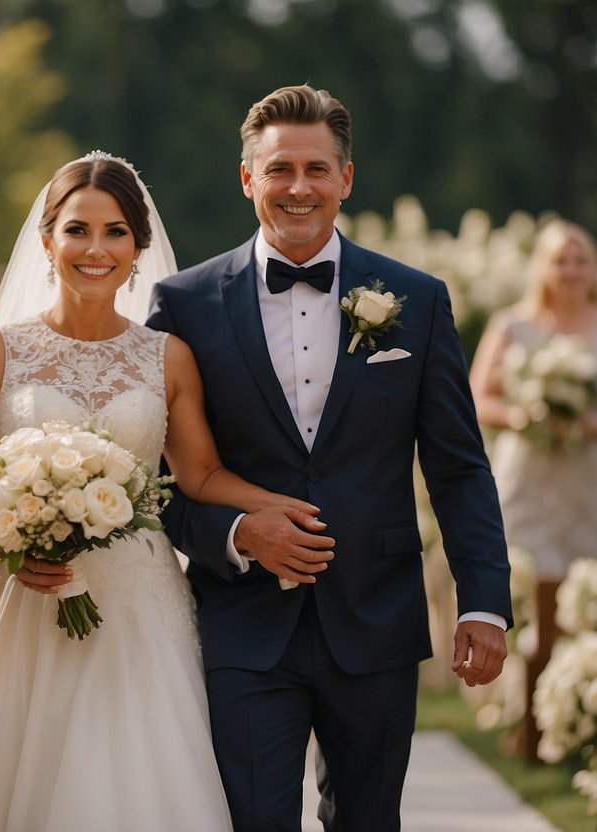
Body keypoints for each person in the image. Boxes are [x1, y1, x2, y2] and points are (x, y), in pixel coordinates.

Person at [0, 152, 321, 831]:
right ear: (46, 241)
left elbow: (200, 476)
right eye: (76, 230)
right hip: (22, 608)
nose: (94, 249)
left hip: (137, 607)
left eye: (115, 232)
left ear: (137, 249)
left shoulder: (166, 356)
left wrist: (270, 503)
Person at [144, 84, 512, 831]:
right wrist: (239, 535)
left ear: (346, 178)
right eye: (279, 169)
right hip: (242, 621)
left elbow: (458, 465)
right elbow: (153, 484)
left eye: (317, 169)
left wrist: (482, 600)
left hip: (375, 613)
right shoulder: (183, 304)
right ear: (247, 178)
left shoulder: (415, 299)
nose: (298, 188)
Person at [470, 219, 597, 579]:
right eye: (560, 261)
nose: (571, 270)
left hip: (596, 477)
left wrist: (594, 426)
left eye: (581, 260)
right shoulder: (511, 325)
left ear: (595, 267)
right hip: (529, 477)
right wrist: (521, 419)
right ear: (542, 267)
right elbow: (478, 399)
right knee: (521, 580)